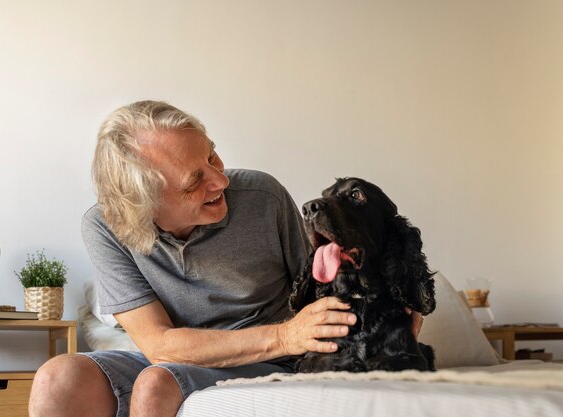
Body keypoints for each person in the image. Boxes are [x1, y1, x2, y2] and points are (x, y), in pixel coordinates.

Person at [29, 100, 422, 417]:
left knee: (156, 384)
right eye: (194, 181)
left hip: (275, 360)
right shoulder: (104, 227)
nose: (220, 181)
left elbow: (322, 284)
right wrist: (285, 333)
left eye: (212, 158)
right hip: (187, 356)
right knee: (57, 378)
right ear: (143, 204)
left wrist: (395, 301)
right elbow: (159, 345)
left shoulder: (263, 197)